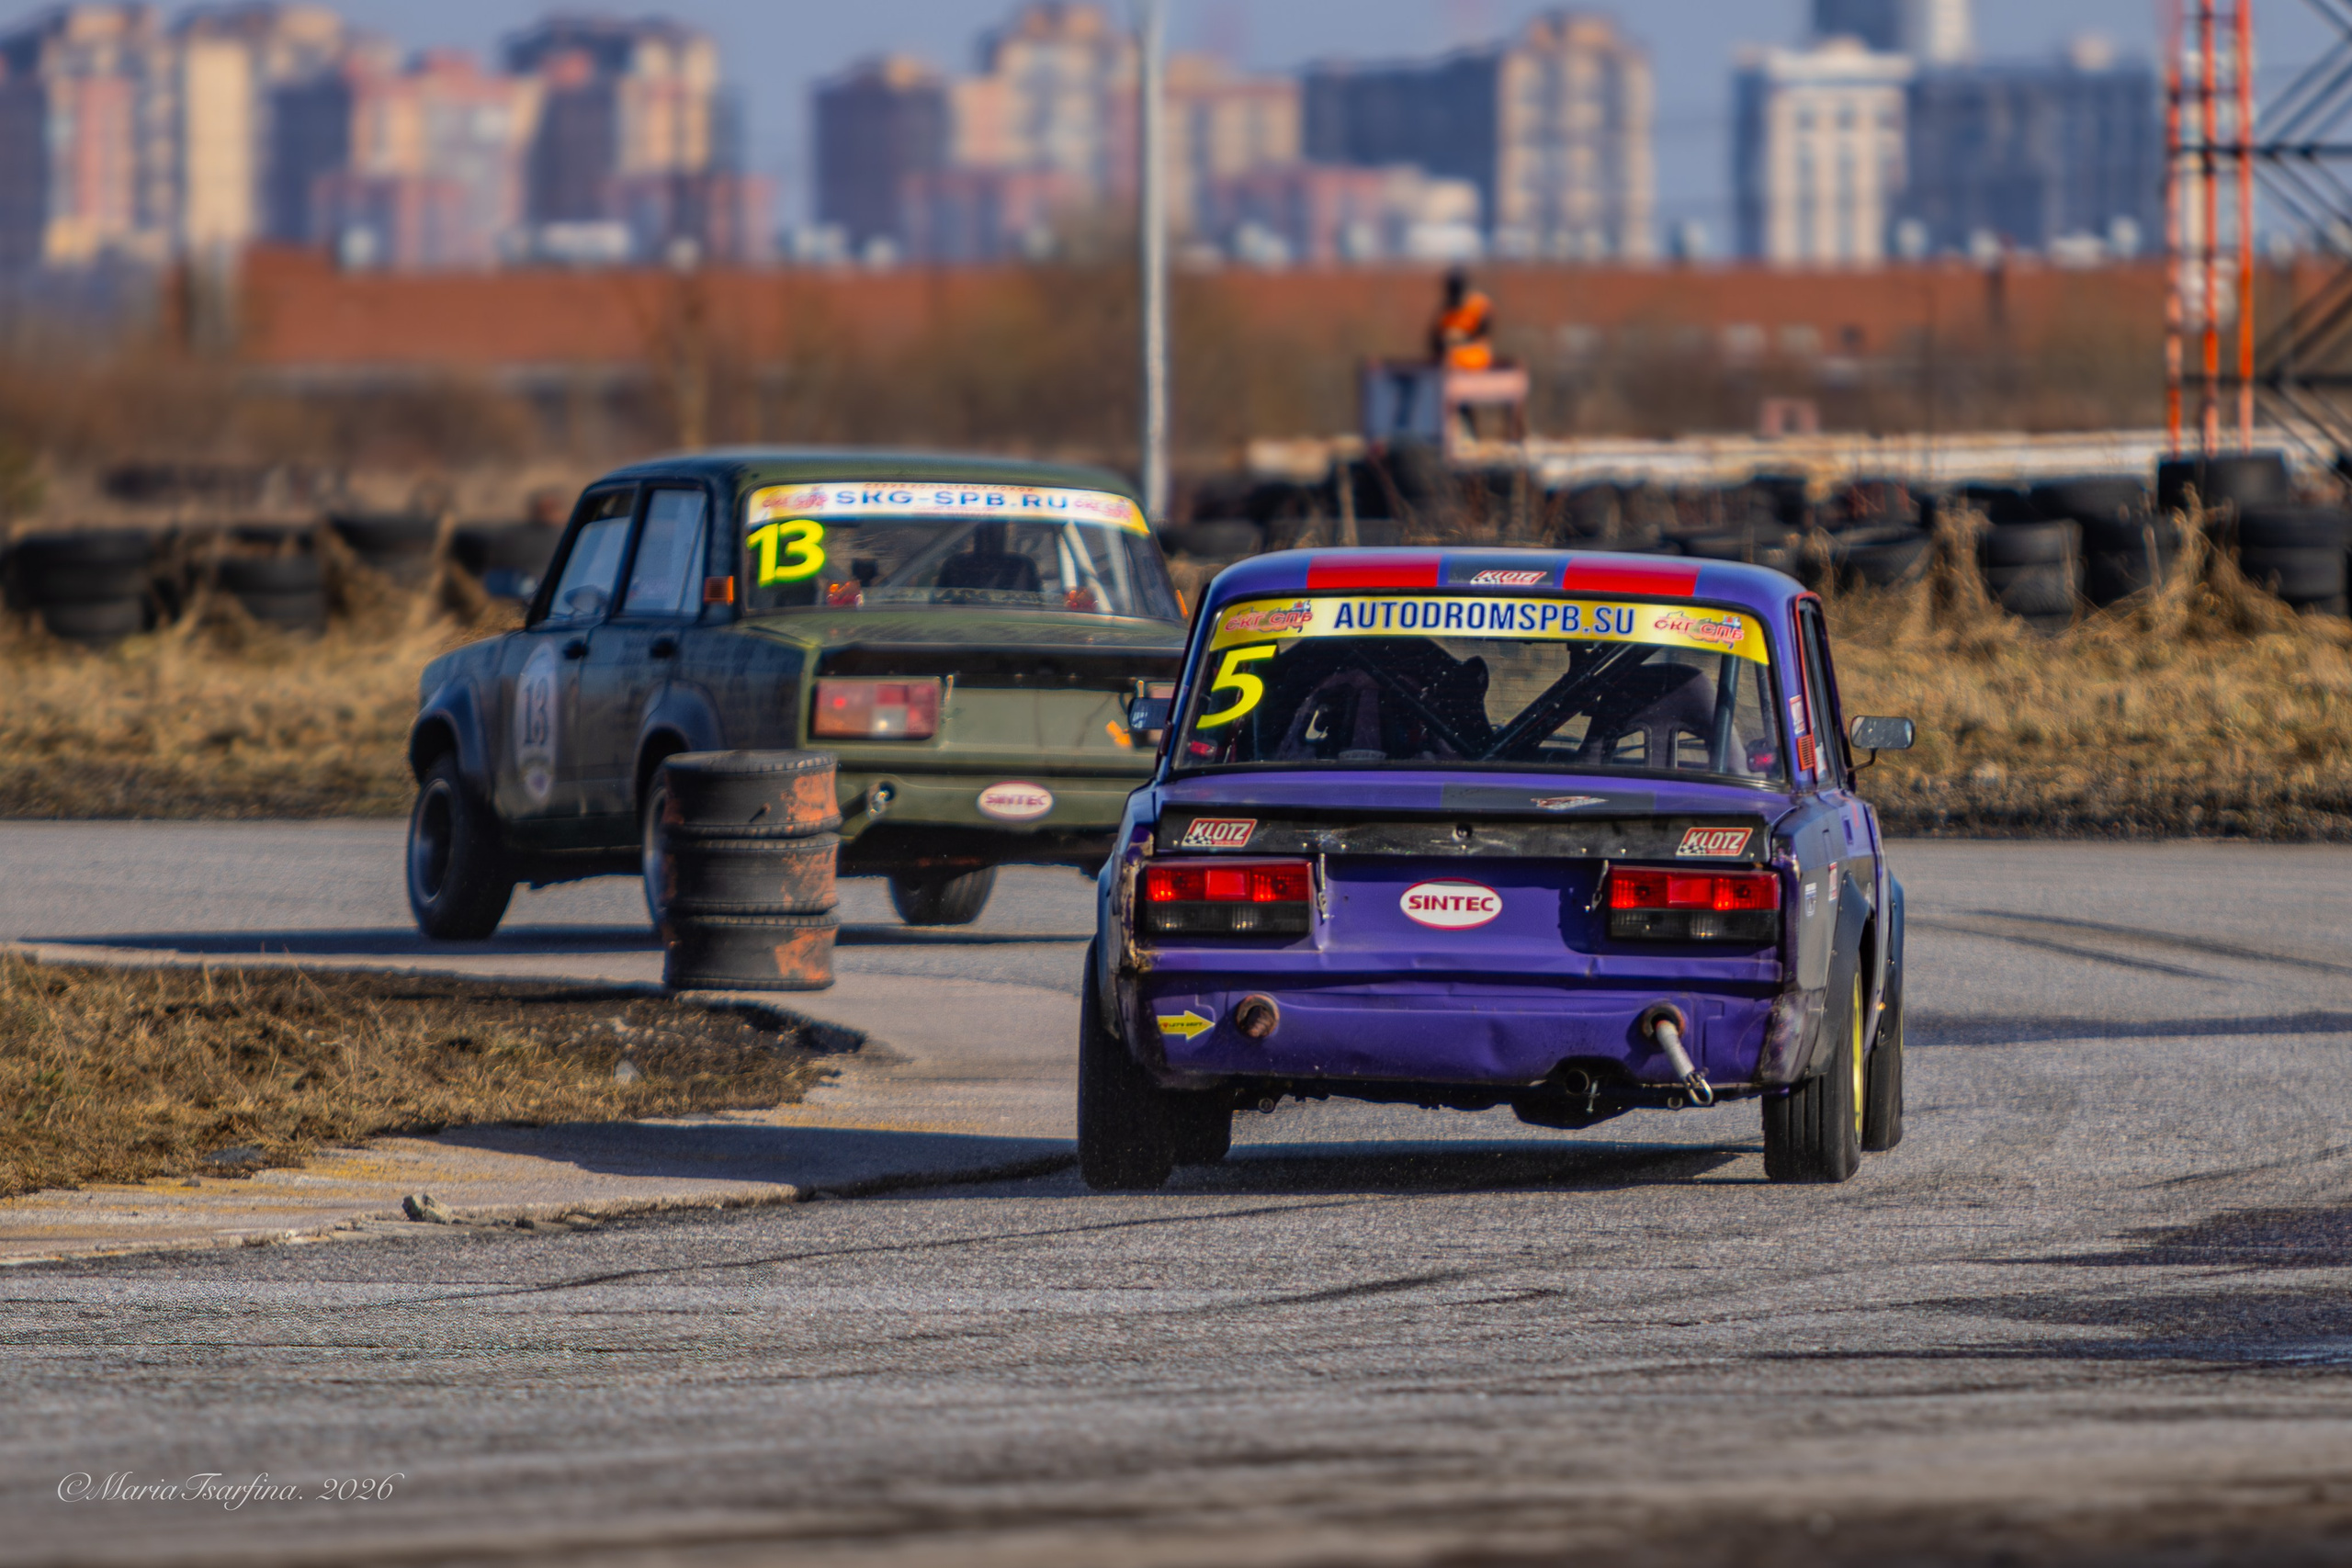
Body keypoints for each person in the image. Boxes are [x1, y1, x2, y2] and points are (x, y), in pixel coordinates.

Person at [1429, 268, 1495, 372]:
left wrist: (1461, 337)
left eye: (1457, 290)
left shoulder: (1478, 306)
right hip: (1453, 365)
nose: (1454, 294)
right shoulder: (1445, 313)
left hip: (1477, 360)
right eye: (1452, 291)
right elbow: (1435, 342)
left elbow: (1483, 333)